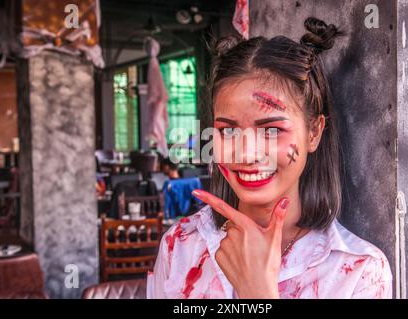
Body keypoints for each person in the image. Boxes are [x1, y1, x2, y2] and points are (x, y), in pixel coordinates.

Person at [147, 17, 392, 299]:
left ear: (314, 132)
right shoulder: (180, 246)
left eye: (272, 130)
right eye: (227, 130)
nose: (247, 153)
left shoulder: (359, 272)